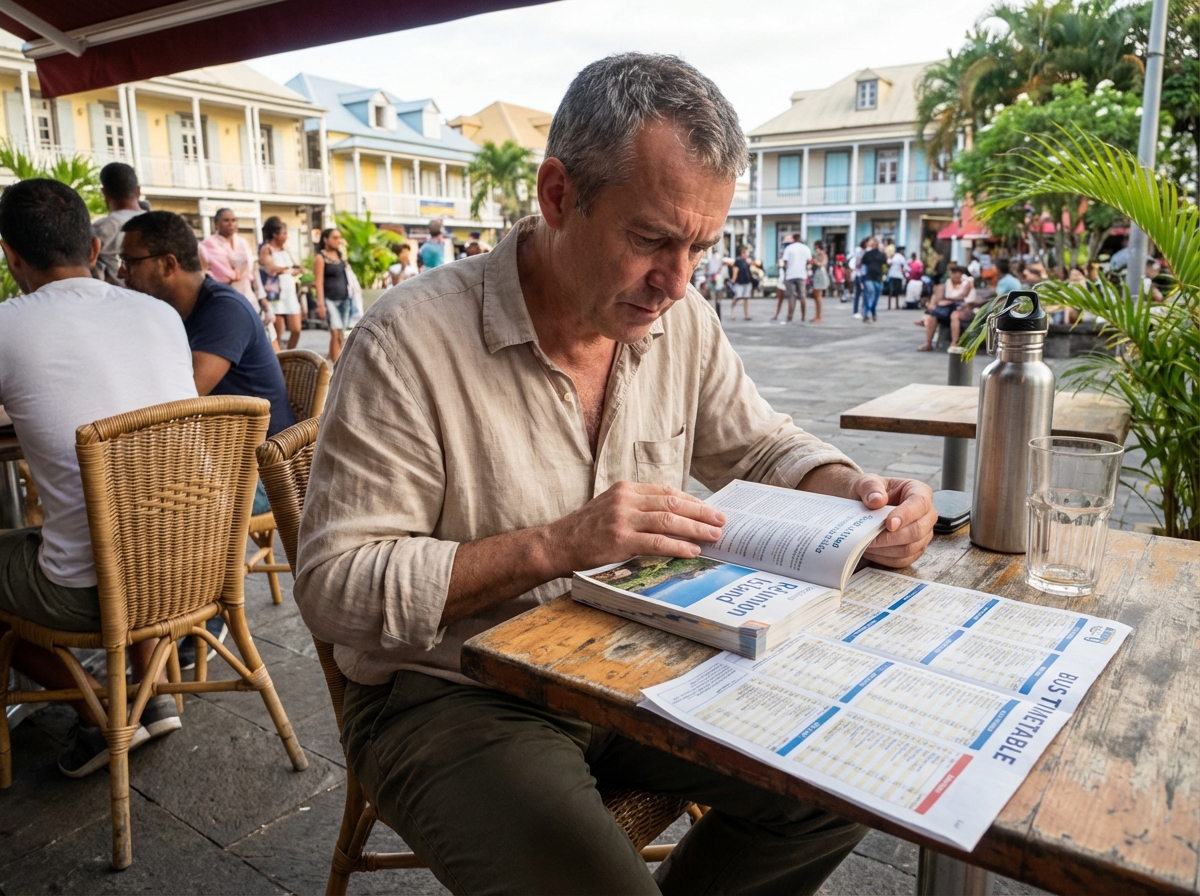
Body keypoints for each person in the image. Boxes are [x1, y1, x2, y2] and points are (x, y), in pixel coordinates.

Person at [292, 53, 936, 896]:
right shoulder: (407, 343)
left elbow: (760, 448)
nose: (676, 282)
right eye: (650, 240)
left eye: (699, 247)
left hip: (634, 661)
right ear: (557, 195)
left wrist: (861, 497)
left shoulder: (680, 320)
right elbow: (333, 586)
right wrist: (554, 545)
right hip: (452, 688)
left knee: (846, 782)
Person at [0, 179, 193, 777]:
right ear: (91, 246)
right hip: (192, 564)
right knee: (122, 509)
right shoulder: (159, 313)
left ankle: (101, 708)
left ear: (10, 256)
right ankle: (149, 689)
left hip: (93, 593)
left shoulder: (8, 325)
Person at [313, 227, 363, 364]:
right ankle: (337, 366)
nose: (338, 241)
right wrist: (321, 304)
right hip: (330, 300)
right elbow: (318, 282)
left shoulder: (341, 257)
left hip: (345, 299)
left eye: (339, 237)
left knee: (341, 334)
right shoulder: (320, 257)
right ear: (325, 239)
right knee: (336, 332)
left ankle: (330, 358)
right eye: (334, 237)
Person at [90, 162, 145, 286]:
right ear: (138, 191)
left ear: (104, 193)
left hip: (116, 300)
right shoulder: (157, 223)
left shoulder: (101, 229)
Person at [258, 216, 303, 350]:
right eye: (284, 233)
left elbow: (295, 265)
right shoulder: (266, 248)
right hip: (274, 293)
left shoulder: (286, 249)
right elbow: (269, 266)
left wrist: (296, 269)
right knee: (277, 333)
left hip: (289, 292)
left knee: (296, 329)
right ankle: (278, 359)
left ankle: (288, 353)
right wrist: (284, 270)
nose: (286, 236)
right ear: (275, 235)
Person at [917, 263, 977, 350]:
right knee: (932, 316)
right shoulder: (946, 283)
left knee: (954, 316)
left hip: (964, 308)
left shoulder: (967, 282)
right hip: (947, 308)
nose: (956, 276)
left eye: (958, 274)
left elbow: (963, 296)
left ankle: (954, 343)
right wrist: (934, 303)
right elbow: (937, 296)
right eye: (953, 273)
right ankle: (928, 343)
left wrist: (948, 300)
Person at [777, 234, 810, 323]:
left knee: (791, 297)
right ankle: (803, 317)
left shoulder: (789, 248)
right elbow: (808, 261)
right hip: (801, 274)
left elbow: (785, 263)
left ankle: (790, 317)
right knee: (802, 296)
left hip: (790, 275)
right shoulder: (805, 248)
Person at [859, 237, 887, 322]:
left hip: (878, 277)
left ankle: (873, 312)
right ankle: (867, 313)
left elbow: (885, 263)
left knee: (876, 296)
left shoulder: (880, 254)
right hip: (869, 277)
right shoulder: (867, 254)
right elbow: (863, 267)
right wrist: (862, 278)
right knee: (870, 293)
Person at [730, 245, 754, 319]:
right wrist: (733, 280)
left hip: (747, 282)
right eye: (747, 253)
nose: (748, 254)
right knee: (738, 297)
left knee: (746, 298)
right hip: (739, 282)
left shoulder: (748, 261)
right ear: (743, 253)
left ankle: (746, 315)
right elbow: (735, 270)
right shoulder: (738, 261)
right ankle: (732, 311)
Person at [808, 240, 829, 323]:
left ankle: (819, 316)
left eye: (815, 246)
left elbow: (823, 263)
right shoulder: (816, 255)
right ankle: (817, 315)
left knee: (818, 297)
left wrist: (815, 262)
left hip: (820, 275)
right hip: (816, 275)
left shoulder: (823, 254)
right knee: (815, 297)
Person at [703, 249, 725, 319]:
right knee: (716, 298)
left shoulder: (712, 259)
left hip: (714, 279)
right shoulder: (717, 260)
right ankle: (715, 314)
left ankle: (714, 314)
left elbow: (707, 269)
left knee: (714, 298)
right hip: (715, 279)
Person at [884, 246, 908, 311]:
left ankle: (889, 306)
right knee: (897, 291)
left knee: (891, 291)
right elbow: (905, 267)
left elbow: (889, 264)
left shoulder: (893, 257)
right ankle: (897, 305)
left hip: (891, 275)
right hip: (898, 276)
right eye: (902, 251)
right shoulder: (901, 257)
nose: (903, 252)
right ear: (900, 251)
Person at [851, 238, 868, 319]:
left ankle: (862, 311)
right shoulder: (859, 251)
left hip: (862, 274)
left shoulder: (864, 251)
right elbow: (858, 263)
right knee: (859, 293)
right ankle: (856, 311)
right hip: (859, 274)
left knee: (863, 294)